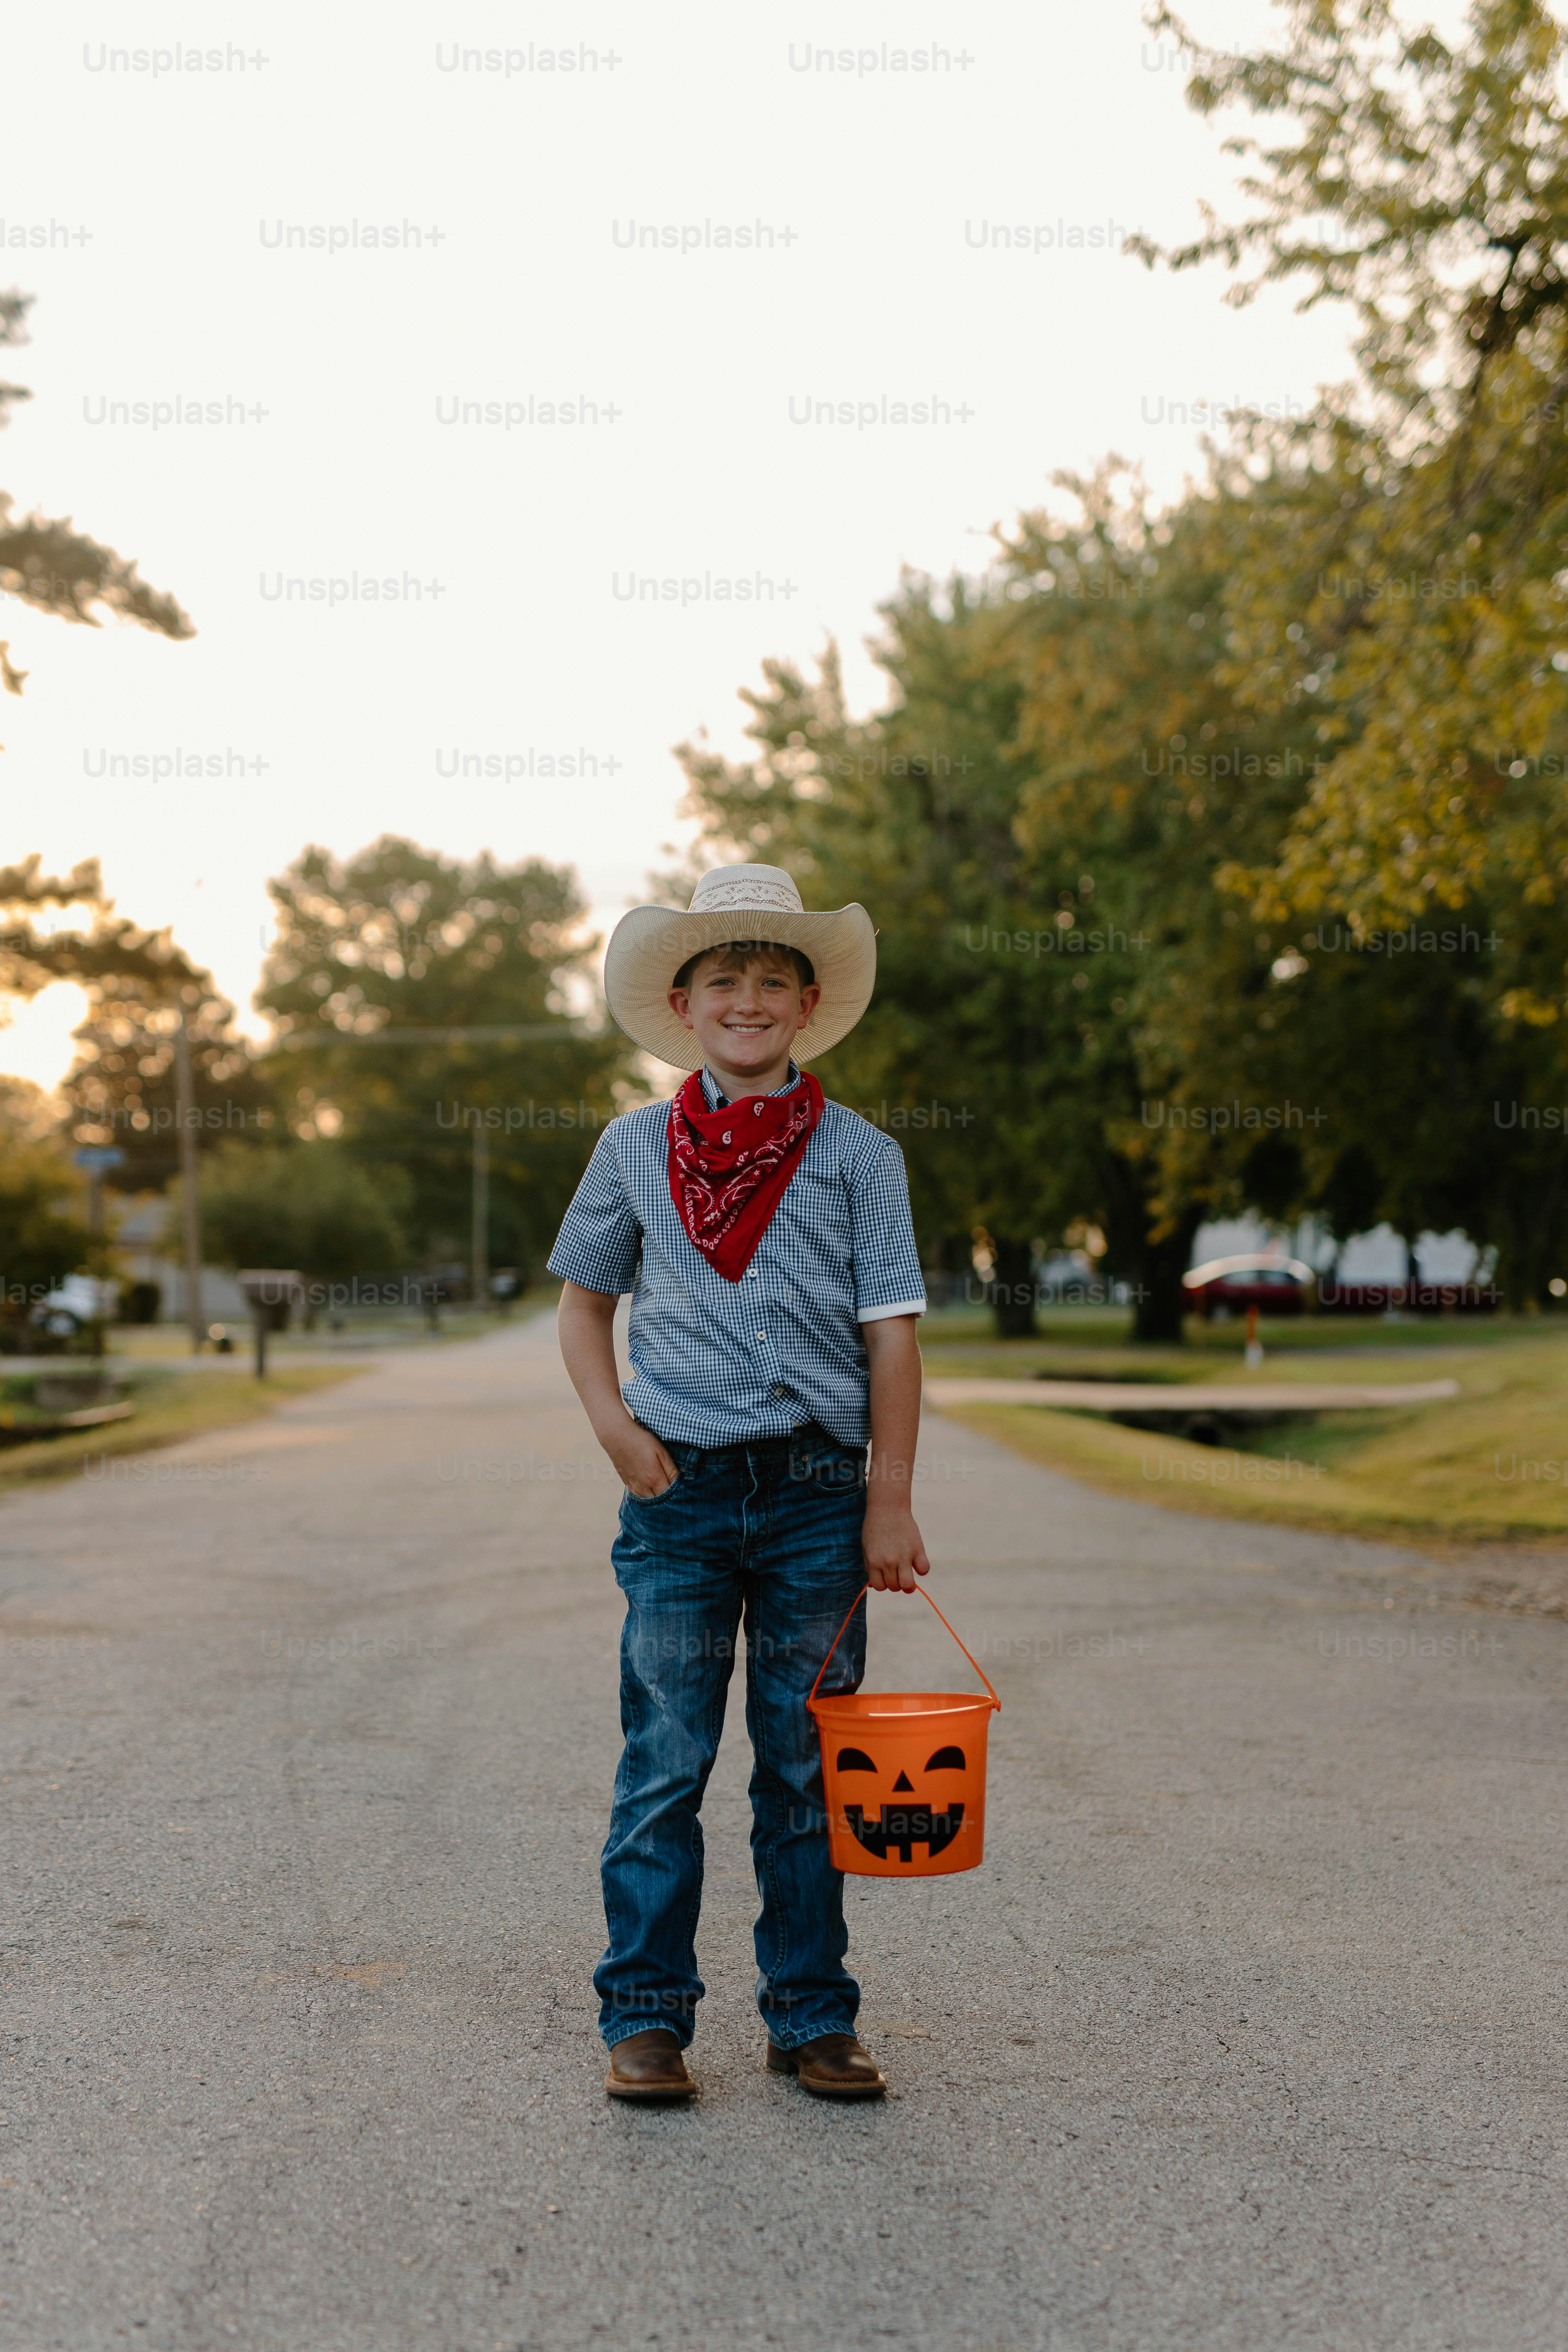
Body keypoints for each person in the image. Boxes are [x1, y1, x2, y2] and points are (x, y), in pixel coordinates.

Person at [549, 863, 930, 2102]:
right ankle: (646, 2016)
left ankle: (812, 2016)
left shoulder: (860, 1157)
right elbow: (583, 1305)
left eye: (773, 981)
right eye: (726, 981)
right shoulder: (633, 1148)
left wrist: (888, 1497)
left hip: (822, 1493)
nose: (749, 1000)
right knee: (663, 1757)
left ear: (808, 1005)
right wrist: (615, 1430)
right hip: (680, 1499)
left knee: (808, 1765)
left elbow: (892, 1336)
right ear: (686, 1001)